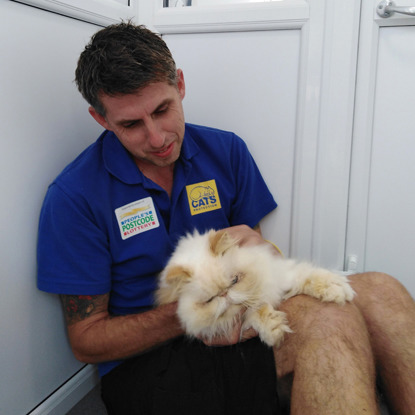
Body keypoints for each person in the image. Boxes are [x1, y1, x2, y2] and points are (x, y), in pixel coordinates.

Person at [37, 22, 415, 415]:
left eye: (162, 110)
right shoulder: (75, 195)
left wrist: (263, 252)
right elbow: (86, 340)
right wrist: (194, 312)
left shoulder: (226, 151)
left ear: (180, 85)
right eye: (131, 125)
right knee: (327, 321)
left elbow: (252, 253)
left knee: (382, 292)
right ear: (101, 120)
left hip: (239, 325)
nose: (156, 137)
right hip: (153, 361)